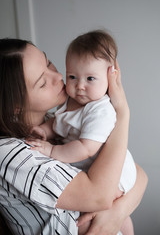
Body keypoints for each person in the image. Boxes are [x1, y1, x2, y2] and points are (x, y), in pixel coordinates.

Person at [0, 38, 148, 235]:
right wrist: (121, 114)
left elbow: (139, 175)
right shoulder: (9, 153)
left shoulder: (56, 119)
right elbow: (99, 196)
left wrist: (117, 213)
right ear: (15, 106)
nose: (59, 75)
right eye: (43, 82)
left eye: (49, 63)